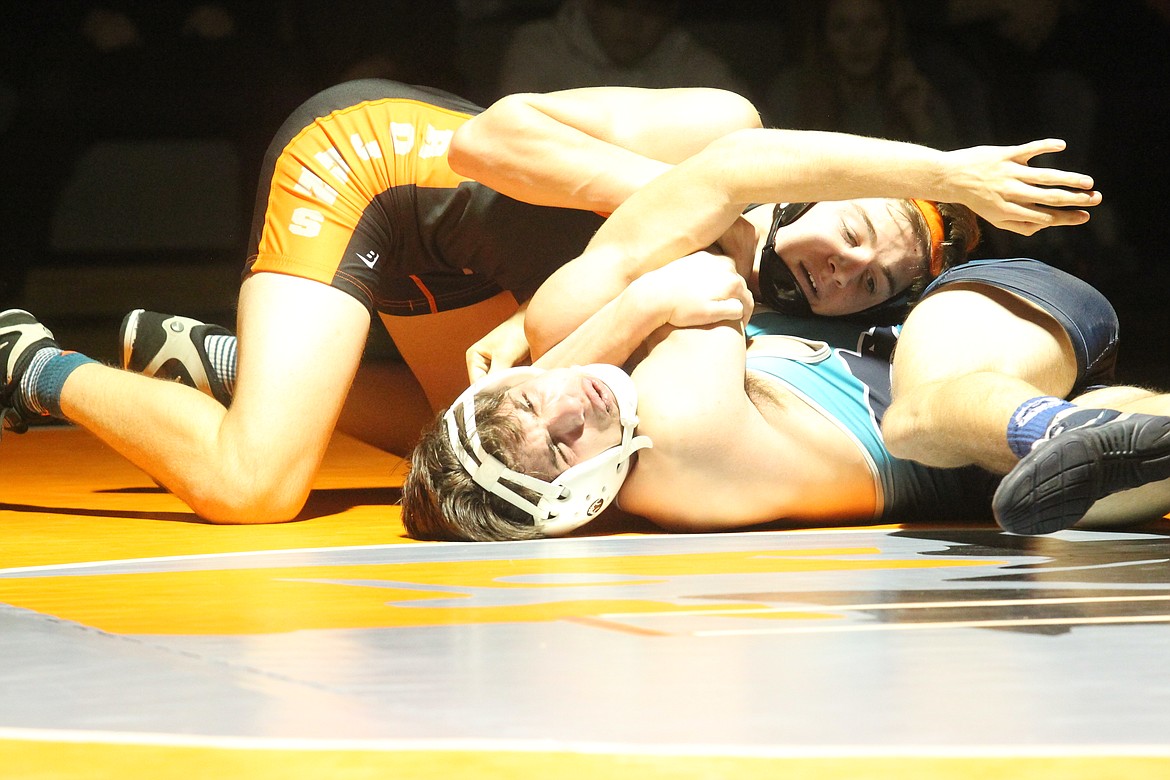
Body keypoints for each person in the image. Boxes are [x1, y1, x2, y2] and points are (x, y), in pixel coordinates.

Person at [0, 80, 1094, 528]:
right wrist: (694, 199)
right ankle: (29, 364)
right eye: (856, 236)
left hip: (469, 261)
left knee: (481, 440)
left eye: (867, 287)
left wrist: (703, 217)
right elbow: (487, 139)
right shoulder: (726, 132)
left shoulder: (746, 246)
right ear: (840, 175)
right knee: (254, 488)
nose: (841, 275)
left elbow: (539, 347)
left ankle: (238, 366)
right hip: (373, 169)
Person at [764, 0, 965, 150]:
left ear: (890, 32)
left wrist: (920, 120)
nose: (857, 40)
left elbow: (950, 178)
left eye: (872, 25)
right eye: (842, 26)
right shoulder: (792, 92)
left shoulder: (912, 90)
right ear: (823, 36)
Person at [494, 0, 747, 97]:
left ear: (671, 15)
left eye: (650, 10)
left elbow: (750, 141)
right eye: (619, 5)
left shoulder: (693, 64)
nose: (632, 23)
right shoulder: (539, 47)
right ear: (591, 5)